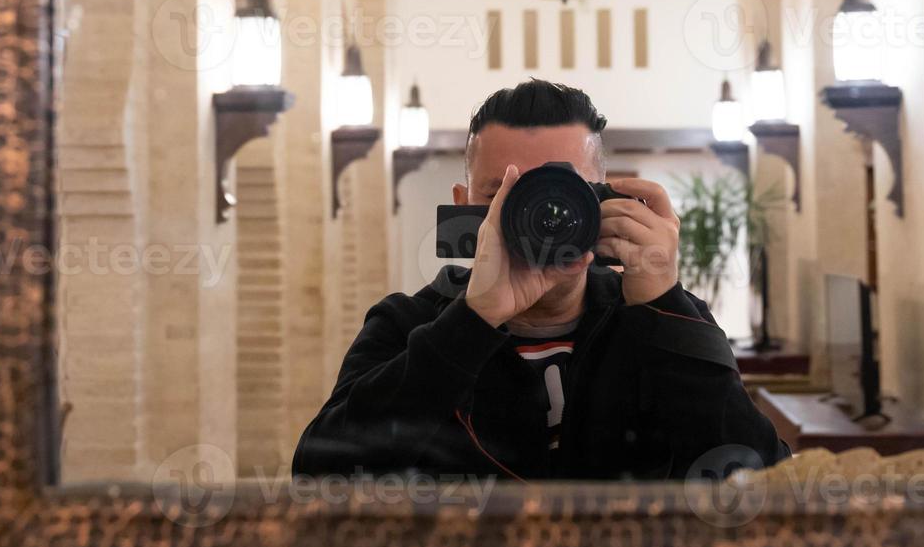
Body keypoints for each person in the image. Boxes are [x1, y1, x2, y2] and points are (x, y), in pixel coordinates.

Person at [292, 79, 791, 480]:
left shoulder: (662, 319)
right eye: (505, 194)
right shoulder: (408, 323)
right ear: (466, 207)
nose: (538, 217)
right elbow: (320, 474)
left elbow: (759, 477)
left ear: (602, 202)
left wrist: (664, 305)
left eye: (560, 194)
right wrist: (473, 321)